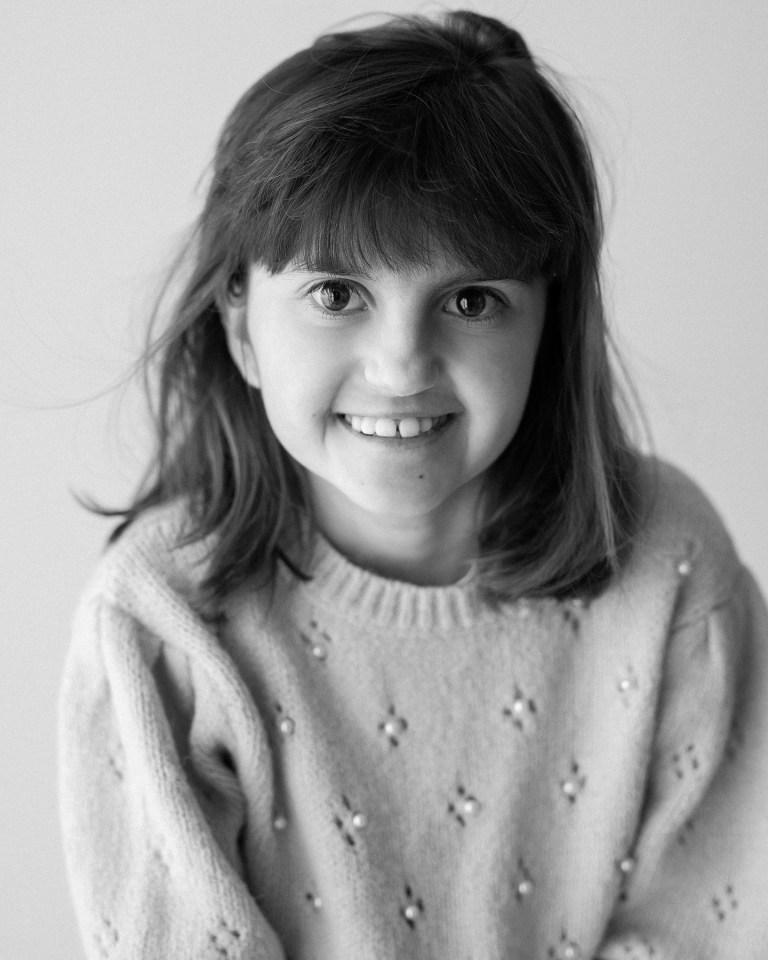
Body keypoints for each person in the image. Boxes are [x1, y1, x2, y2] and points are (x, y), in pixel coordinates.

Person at [59, 10, 768, 959]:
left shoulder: (671, 570)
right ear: (241, 327)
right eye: (336, 295)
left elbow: (709, 923)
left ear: (548, 328)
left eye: (471, 300)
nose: (401, 368)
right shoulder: (161, 622)